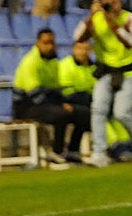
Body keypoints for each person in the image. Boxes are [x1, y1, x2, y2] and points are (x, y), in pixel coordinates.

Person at [74, 0, 132, 167]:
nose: (110, 6)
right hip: (107, 70)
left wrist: (113, 23)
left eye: (114, 2)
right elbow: (78, 38)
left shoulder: (129, 18)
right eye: (106, 3)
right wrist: (91, 16)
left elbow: (131, 42)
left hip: (130, 70)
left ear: (120, 2)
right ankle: (99, 152)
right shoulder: (96, 19)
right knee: (98, 109)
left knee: (121, 113)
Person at [12, 29, 90, 167]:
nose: (49, 46)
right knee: (61, 113)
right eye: (45, 43)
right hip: (26, 106)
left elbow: (56, 89)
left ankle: (72, 151)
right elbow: (35, 95)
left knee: (83, 113)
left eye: (52, 42)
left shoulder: (53, 62)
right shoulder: (30, 62)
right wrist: (60, 105)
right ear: (38, 43)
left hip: (46, 103)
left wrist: (63, 102)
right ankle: (56, 153)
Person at [57, 38, 97, 161]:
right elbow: (65, 90)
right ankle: (68, 150)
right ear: (73, 49)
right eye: (80, 48)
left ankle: (116, 145)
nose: (83, 52)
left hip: (88, 102)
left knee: (98, 111)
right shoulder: (65, 65)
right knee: (85, 114)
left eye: (86, 49)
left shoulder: (94, 67)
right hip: (69, 101)